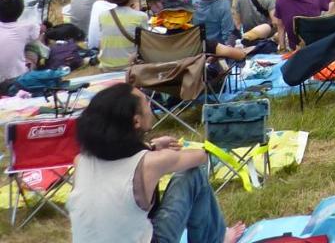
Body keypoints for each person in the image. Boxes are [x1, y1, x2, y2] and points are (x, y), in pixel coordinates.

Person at [67, 82, 245, 243]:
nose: (150, 106)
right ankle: (216, 239)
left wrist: (150, 146)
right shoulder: (150, 163)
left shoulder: (80, 162)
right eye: (146, 102)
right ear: (136, 121)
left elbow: (118, 160)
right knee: (193, 174)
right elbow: (202, 156)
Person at [91, 0, 147, 69]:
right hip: (129, 66)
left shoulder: (103, 15)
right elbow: (145, 44)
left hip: (106, 66)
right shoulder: (140, 16)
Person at [0, 0, 40, 87]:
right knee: (34, 45)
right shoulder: (27, 27)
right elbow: (37, 34)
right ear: (21, 11)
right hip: (16, 79)